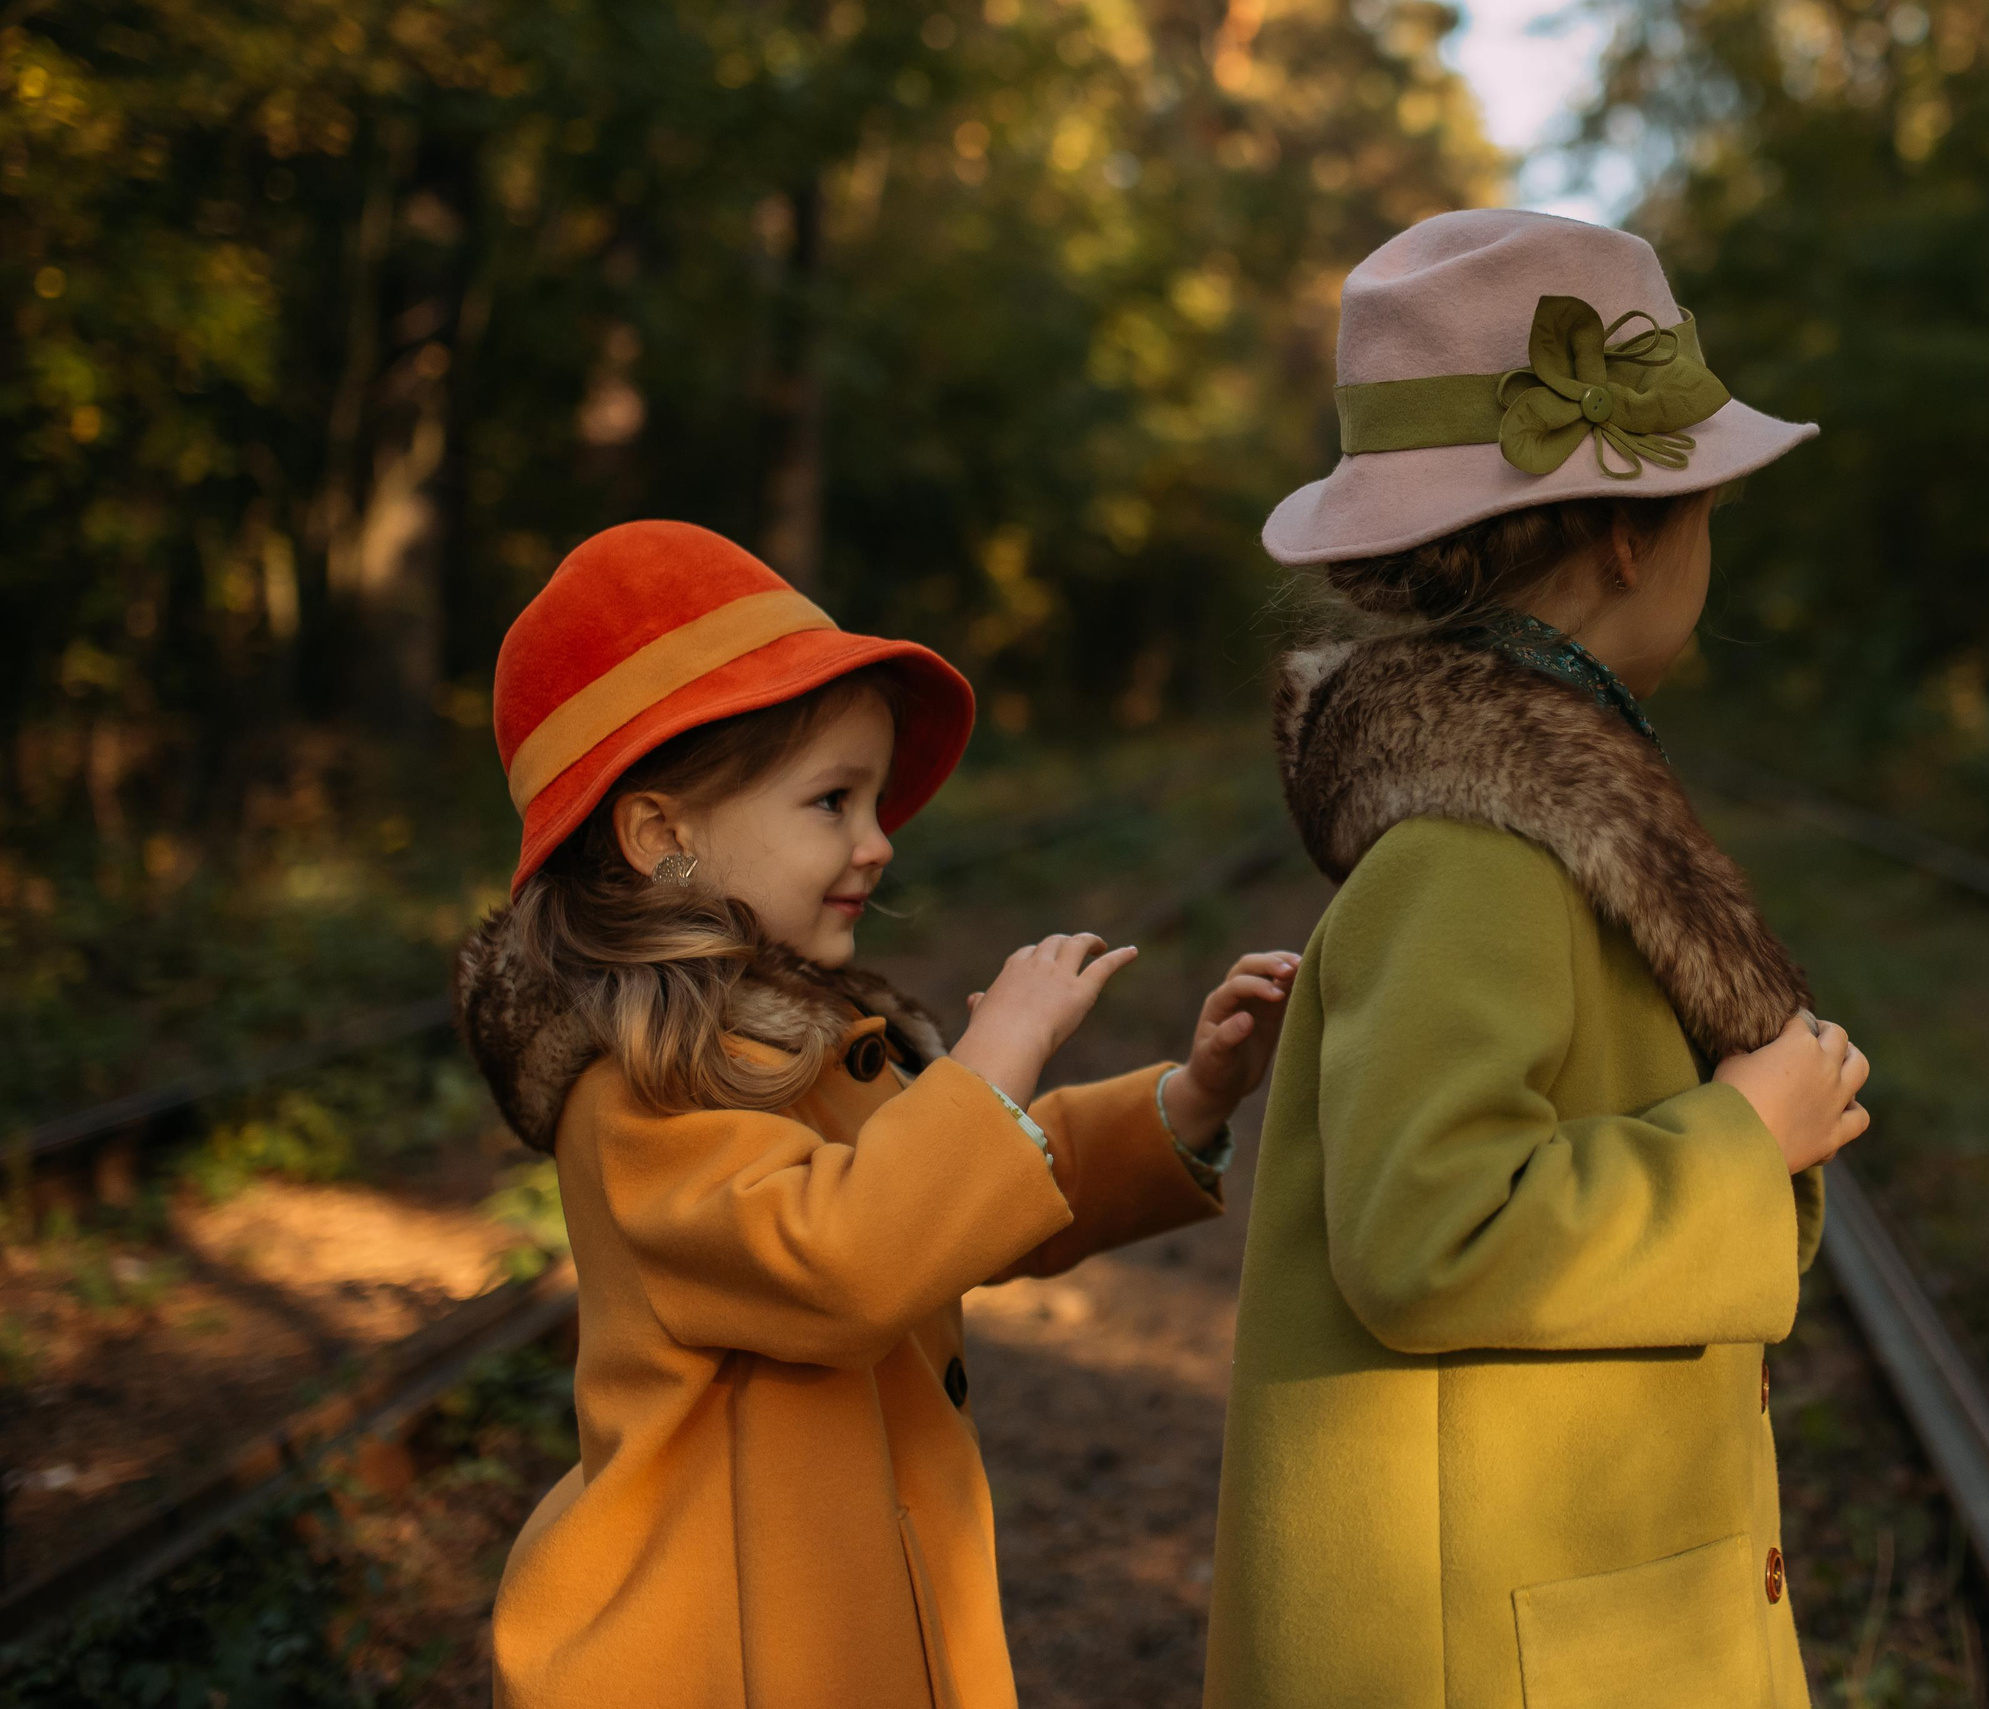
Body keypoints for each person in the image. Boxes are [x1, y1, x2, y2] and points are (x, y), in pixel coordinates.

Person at [452, 519, 1296, 1709]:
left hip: (838, 1613)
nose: (878, 842)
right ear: (662, 837)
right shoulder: (638, 1085)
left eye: (875, 800)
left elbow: (953, 1204)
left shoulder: (781, 1032)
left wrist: (1189, 1099)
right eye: (832, 801)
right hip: (718, 1653)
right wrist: (989, 1061)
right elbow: (847, 1255)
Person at [1204, 209, 1870, 1709]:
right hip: (1494, 1653)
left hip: (1535, 1605)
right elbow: (1432, 1232)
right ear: (1630, 530)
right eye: (1705, 510)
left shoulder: (1509, 826)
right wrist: (1741, 1140)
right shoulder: (1475, 854)